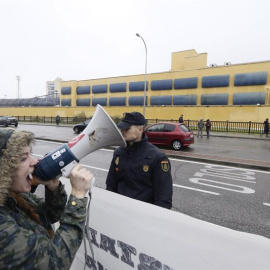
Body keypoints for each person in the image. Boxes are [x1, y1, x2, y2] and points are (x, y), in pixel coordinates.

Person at [0, 129, 93, 270]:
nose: (34, 161)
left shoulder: (12, 196)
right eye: (23, 158)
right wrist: (78, 196)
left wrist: (53, 187)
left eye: (30, 153)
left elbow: (50, 216)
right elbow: (53, 262)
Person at [106, 112, 173, 209]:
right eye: (122, 128)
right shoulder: (118, 153)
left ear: (140, 129)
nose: (123, 131)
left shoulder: (157, 157)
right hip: (119, 210)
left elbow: (163, 197)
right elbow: (111, 185)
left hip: (142, 215)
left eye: (127, 128)